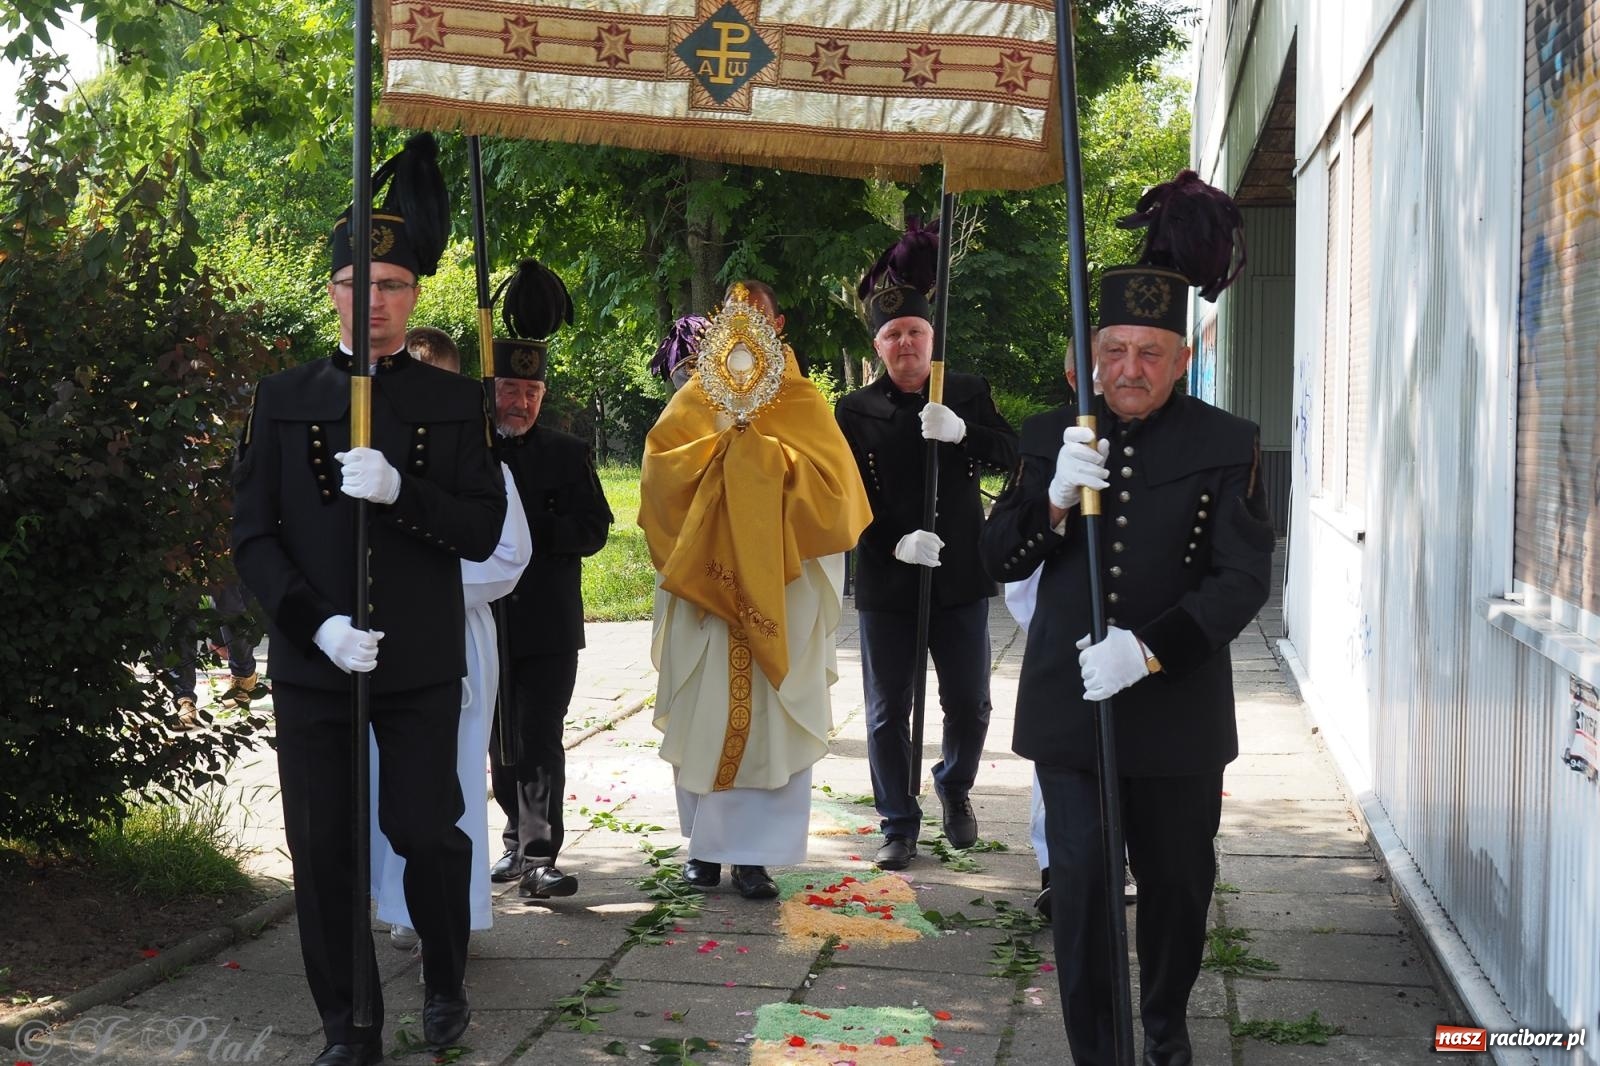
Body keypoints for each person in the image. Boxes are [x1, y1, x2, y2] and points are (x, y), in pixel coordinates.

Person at [980, 170, 1267, 1066]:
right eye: (1113, 352)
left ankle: (1166, 1030)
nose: (1129, 371)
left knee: (1180, 892)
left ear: (1182, 359)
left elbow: (1244, 576)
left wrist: (1150, 651)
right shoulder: (1046, 437)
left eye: (1149, 353)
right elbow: (996, 560)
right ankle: (1097, 1052)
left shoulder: (1229, 443)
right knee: (1085, 897)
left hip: (1176, 715)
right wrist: (1053, 502)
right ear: (1087, 358)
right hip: (1073, 718)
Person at [231, 134, 506, 1066]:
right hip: (318, 661)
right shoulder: (282, 395)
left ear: (414, 296)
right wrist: (316, 623)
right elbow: (252, 536)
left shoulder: (456, 400)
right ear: (334, 290)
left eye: (391, 285)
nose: (373, 301)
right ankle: (351, 1024)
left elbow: (477, 530)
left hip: (421, 657)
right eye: (357, 283)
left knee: (424, 831)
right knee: (323, 849)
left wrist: (403, 493)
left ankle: (444, 975)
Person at [641, 281, 871, 900]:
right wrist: (721, 457)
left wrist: (762, 463)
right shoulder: (695, 395)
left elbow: (836, 497)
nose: (746, 326)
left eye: (759, 316)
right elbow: (660, 477)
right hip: (707, 593)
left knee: (770, 720)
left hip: (781, 586)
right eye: (733, 316)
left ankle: (756, 859)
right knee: (705, 714)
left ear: (779, 323)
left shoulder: (800, 399)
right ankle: (704, 853)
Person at [834, 223, 1018, 870]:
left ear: (931, 339)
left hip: (961, 575)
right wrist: (894, 540)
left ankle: (955, 785)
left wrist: (965, 431)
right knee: (888, 710)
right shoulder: (852, 412)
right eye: (892, 335)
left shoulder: (964, 390)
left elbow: (1012, 455)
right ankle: (897, 821)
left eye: (915, 331)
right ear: (879, 346)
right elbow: (844, 497)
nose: (905, 343)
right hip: (890, 577)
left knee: (970, 700)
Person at [370, 327, 533, 950]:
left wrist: (421, 584)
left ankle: (445, 910)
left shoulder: (477, 461)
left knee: (449, 778)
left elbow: (508, 555)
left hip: (453, 635)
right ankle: (394, 899)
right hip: (379, 638)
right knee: (389, 778)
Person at [484, 259, 614, 901]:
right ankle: (514, 840)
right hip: (485, 621)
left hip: (548, 622)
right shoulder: (471, 451)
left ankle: (540, 856)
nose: (522, 403)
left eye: (532, 395)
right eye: (511, 392)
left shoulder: (567, 453)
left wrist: (538, 532)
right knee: (497, 737)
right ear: (492, 391)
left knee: (539, 735)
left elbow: (596, 527)